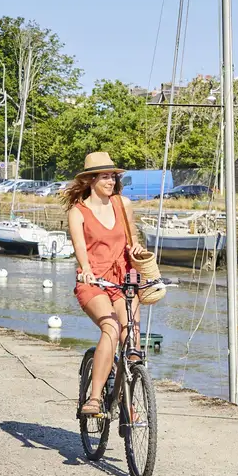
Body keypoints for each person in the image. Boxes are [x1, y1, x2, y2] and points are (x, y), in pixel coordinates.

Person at [64, 151, 145, 418]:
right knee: (110, 327)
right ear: (91, 180)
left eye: (113, 176)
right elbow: (80, 250)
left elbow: (133, 240)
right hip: (94, 282)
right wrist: (85, 270)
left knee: (131, 339)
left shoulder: (123, 204)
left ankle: (127, 401)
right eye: (106, 176)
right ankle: (95, 398)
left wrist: (138, 252)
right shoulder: (79, 212)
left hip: (123, 281)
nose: (111, 181)